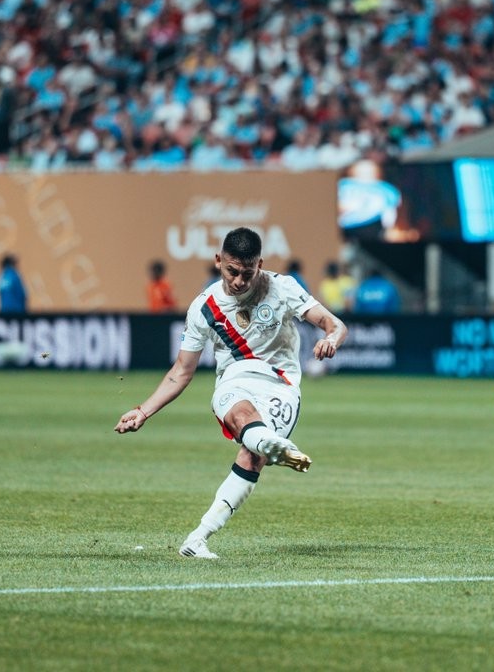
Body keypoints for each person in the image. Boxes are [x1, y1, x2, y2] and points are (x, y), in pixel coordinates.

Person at [115, 227, 348, 559]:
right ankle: (272, 444)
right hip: (235, 380)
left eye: (247, 273)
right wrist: (143, 411)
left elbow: (334, 324)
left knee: (251, 457)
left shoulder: (282, 288)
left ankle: (197, 539)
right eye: (232, 271)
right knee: (242, 416)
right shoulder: (204, 307)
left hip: (280, 386)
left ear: (259, 265)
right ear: (218, 261)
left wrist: (331, 340)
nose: (239, 281)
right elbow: (181, 371)